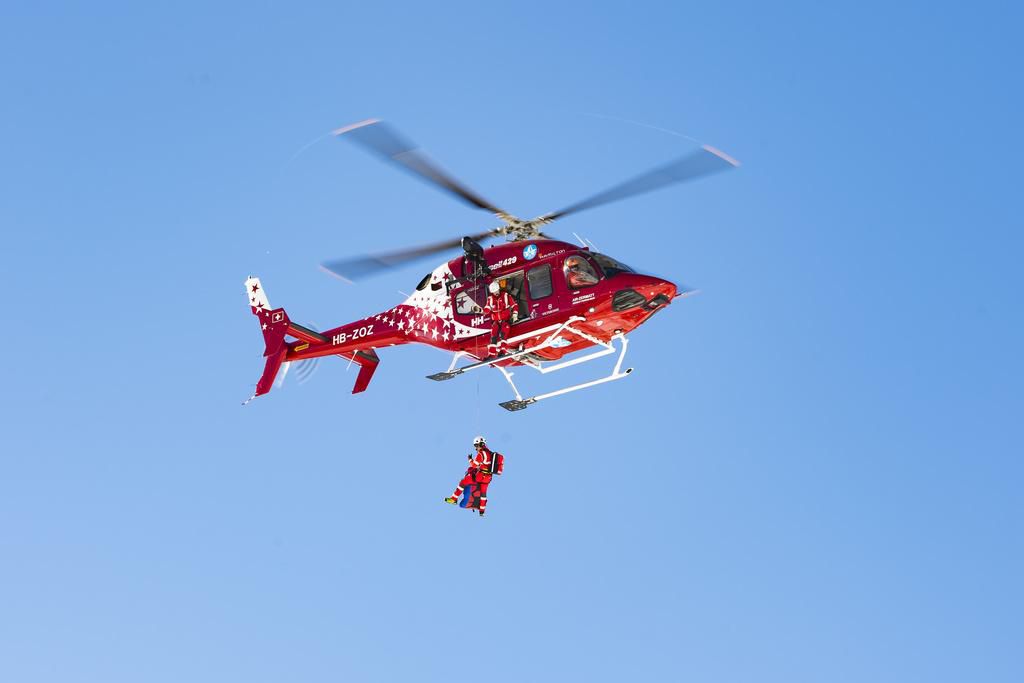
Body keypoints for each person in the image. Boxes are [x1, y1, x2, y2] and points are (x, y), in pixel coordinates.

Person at [444, 435, 499, 516]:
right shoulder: (490, 454)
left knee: (463, 482)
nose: (476, 448)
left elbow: (474, 465)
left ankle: (454, 499)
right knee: (483, 494)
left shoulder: (481, 454)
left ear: (480, 444)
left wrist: (470, 460)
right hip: (488, 478)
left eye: (476, 446)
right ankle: (482, 511)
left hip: (480, 477)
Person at [484, 279, 515, 357]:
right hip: (496, 322)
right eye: (494, 292)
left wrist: (515, 314)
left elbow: (514, 305)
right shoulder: (490, 299)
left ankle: (503, 351)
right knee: (493, 337)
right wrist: (482, 310)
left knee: (503, 335)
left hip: (506, 320)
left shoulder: (506, 296)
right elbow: (487, 308)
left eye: (496, 290)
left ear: (499, 289)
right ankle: (491, 354)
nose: (496, 293)